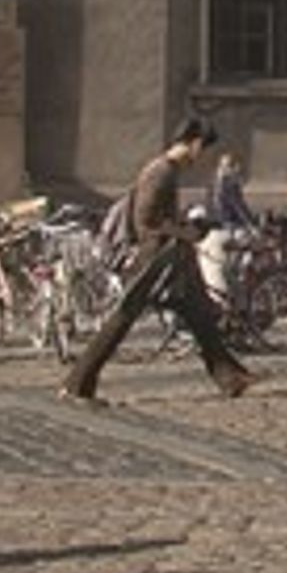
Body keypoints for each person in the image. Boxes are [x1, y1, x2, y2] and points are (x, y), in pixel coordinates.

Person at [62, 120, 254, 404]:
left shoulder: (167, 171)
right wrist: (186, 231)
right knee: (121, 319)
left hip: (171, 259)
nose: (200, 158)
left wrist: (187, 225)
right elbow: (147, 221)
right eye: (202, 150)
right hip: (154, 261)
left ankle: (230, 377)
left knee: (200, 315)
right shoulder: (161, 171)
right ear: (195, 143)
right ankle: (77, 385)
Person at [200, 152, 256, 306]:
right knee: (243, 256)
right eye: (235, 167)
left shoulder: (213, 182)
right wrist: (253, 226)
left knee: (226, 268)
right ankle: (240, 298)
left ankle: (235, 297)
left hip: (215, 230)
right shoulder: (228, 182)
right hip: (227, 229)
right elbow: (238, 207)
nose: (237, 171)